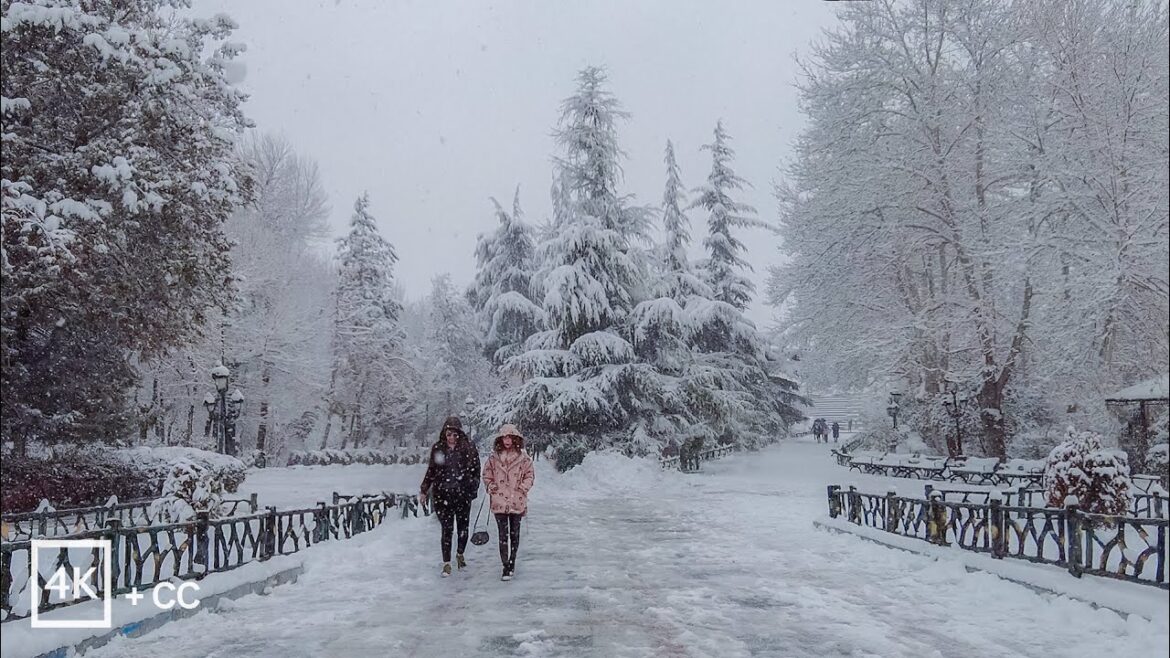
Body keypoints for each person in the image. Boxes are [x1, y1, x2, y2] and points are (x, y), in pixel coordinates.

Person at [419, 416, 481, 577]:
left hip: (462, 495)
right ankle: (446, 562)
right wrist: (424, 490)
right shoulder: (438, 449)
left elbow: (476, 471)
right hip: (442, 495)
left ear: (460, 434)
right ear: (444, 434)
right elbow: (431, 470)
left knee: (462, 527)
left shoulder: (468, 449)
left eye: (455, 434)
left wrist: (472, 489)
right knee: (446, 529)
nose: (452, 438)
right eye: (449, 434)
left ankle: (460, 553)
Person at [482, 423, 535, 581]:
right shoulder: (493, 458)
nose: (507, 440)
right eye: (504, 437)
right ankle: (505, 565)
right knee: (503, 535)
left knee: (515, 534)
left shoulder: (524, 458)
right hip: (499, 500)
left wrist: (523, 487)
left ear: (515, 439)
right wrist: (491, 486)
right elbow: (486, 474)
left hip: (516, 500)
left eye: (510, 437)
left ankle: (512, 561)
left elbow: (530, 475)